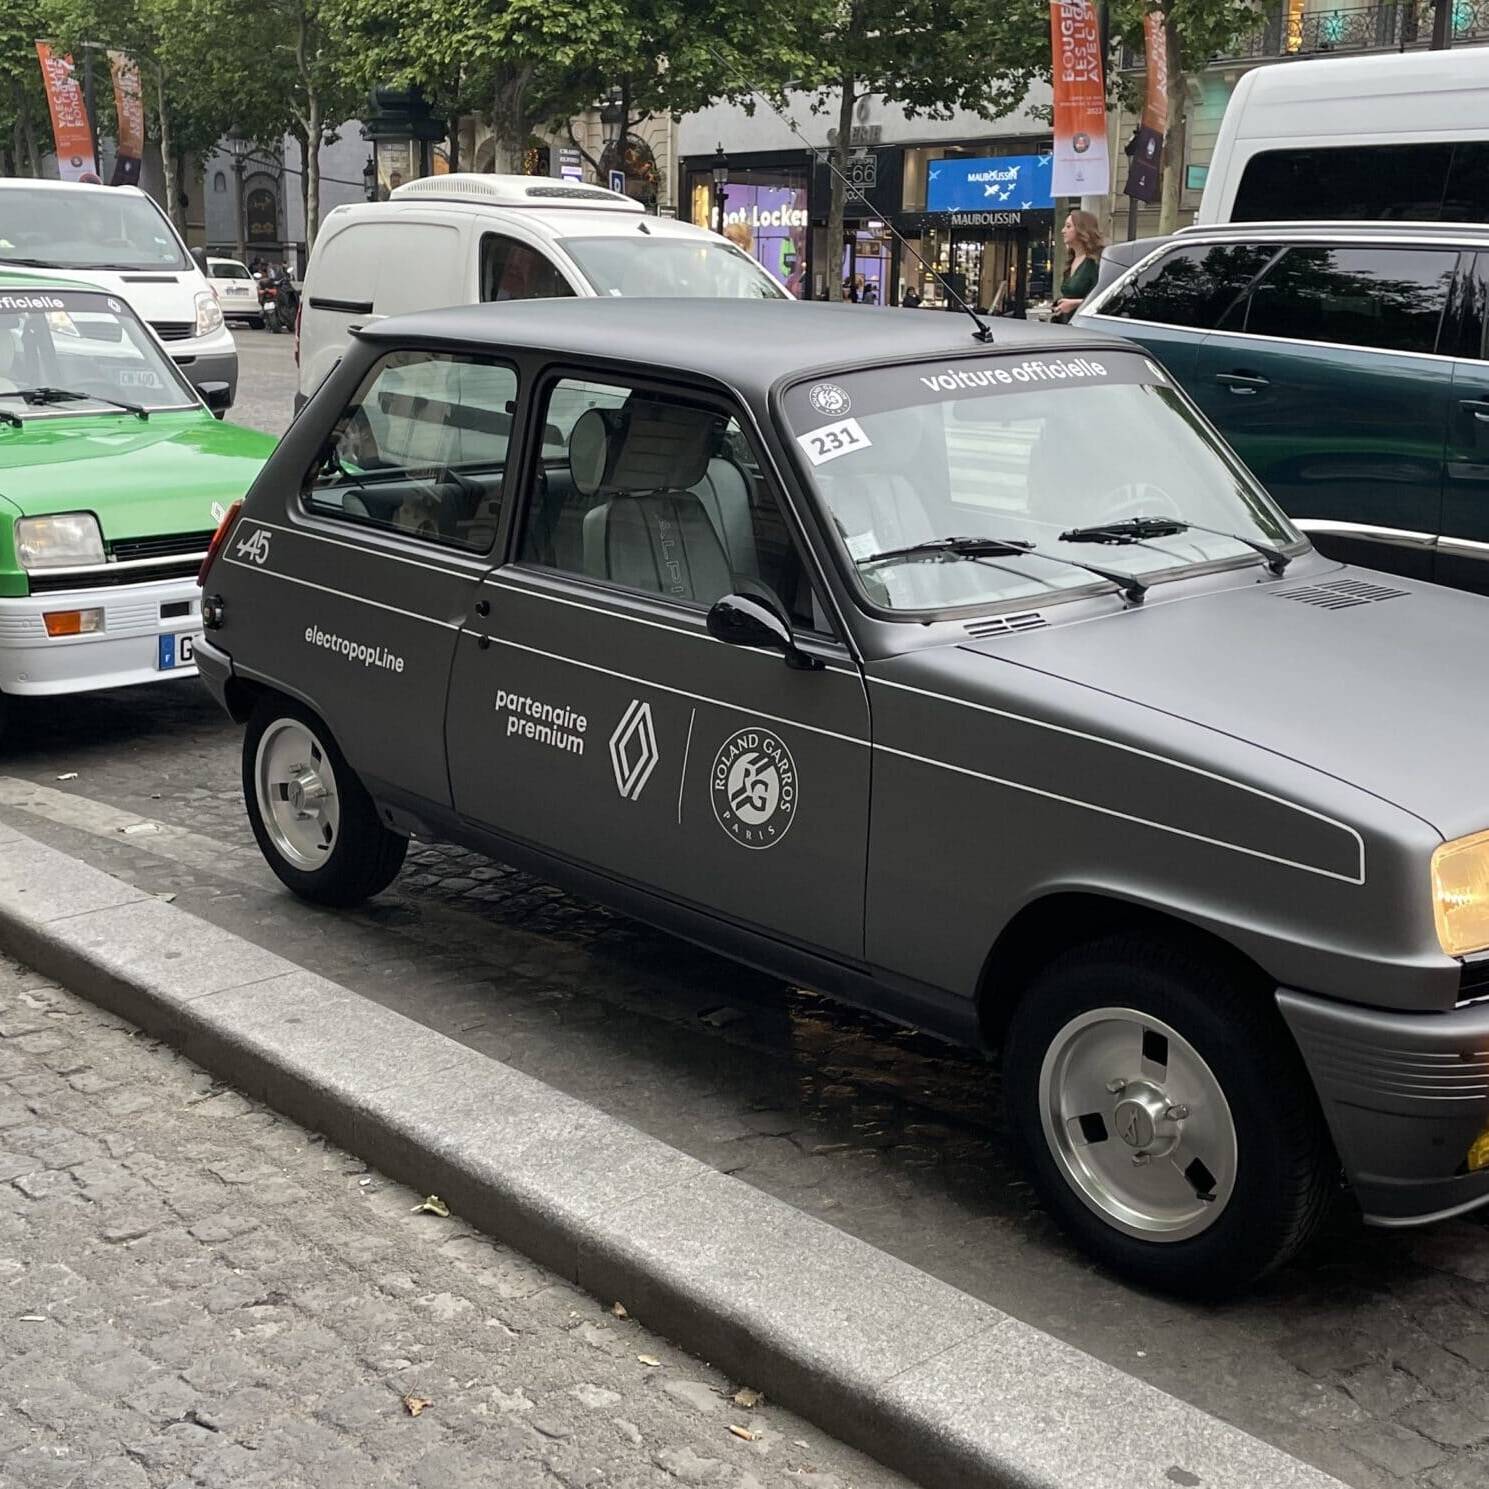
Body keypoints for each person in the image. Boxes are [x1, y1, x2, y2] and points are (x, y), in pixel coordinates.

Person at [1052, 209, 1104, 322]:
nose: (1063, 231)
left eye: (1068, 226)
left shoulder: (1096, 261)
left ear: (1082, 230)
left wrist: (1076, 303)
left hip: (1087, 325)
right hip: (1068, 323)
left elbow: (1105, 298)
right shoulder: (1071, 260)